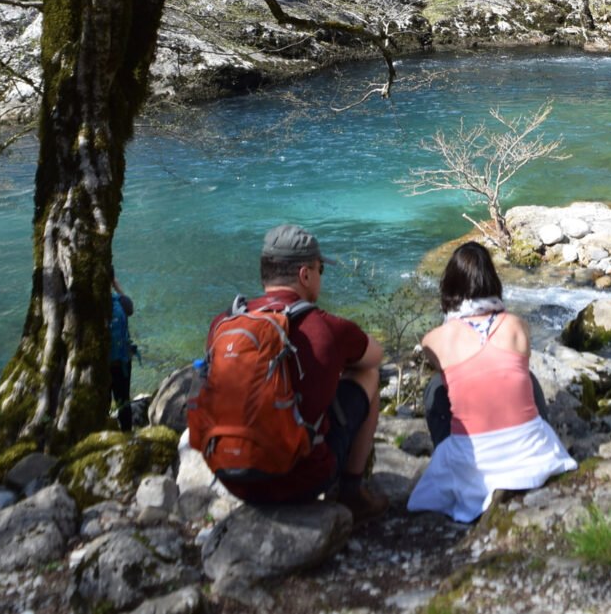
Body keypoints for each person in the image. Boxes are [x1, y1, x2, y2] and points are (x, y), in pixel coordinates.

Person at [212, 223, 387, 519]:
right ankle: (352, 492)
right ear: (305, 275)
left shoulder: (225, 323)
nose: (321, 277)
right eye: (321, 269)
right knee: (368, 376)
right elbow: (375, 356)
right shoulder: (325, 327)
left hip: (233, 477)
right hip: (300, 480)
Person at [407, 242, 576, 522]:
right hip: (533, 456)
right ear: (493, 282)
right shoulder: (517, 326)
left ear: (449, 288)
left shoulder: (433, 340)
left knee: (436, 388)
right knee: (527, 377)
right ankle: (537, 436)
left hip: (474, 466)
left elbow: (454, 384)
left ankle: (455, 465)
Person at [110, 279, 137, 432]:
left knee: (102, 402)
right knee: (123, 401)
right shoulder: (121, 303)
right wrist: (116, 286)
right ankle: (127, 434)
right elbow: (130, 309)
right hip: (122, 362)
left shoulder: (91, 305)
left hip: (101, 363)